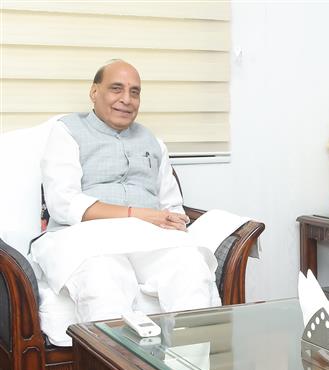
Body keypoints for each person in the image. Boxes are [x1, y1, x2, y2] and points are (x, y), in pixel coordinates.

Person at [32, 60, 221, 327]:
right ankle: (116, 368)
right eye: (116, 89)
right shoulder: (67, 131)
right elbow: (64, 203)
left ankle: (189, 367)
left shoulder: (153, 143)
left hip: (150, 239)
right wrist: (136, 215)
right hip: (87, 238)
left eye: (135, 92)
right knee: (104, 281)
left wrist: (174, 222)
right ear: (94, 92)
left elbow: (171, 205)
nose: (126, 99)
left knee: (190, 267)